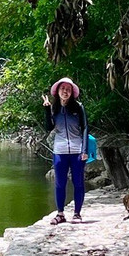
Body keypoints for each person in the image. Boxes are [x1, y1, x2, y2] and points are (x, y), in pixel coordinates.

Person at [43, 77, 88, 225]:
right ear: (57, 91)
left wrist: (85, 149)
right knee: (60, 183)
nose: (65, 91)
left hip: (77, 150)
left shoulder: (78, 107)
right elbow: (49, 127)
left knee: (78, 182)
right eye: (63, 89)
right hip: (60, 150)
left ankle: (77, 214)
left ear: (72, 92)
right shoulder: (54, 108)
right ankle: (60, 214)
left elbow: (85, 128)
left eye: (68, 89)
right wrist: (46, 110)